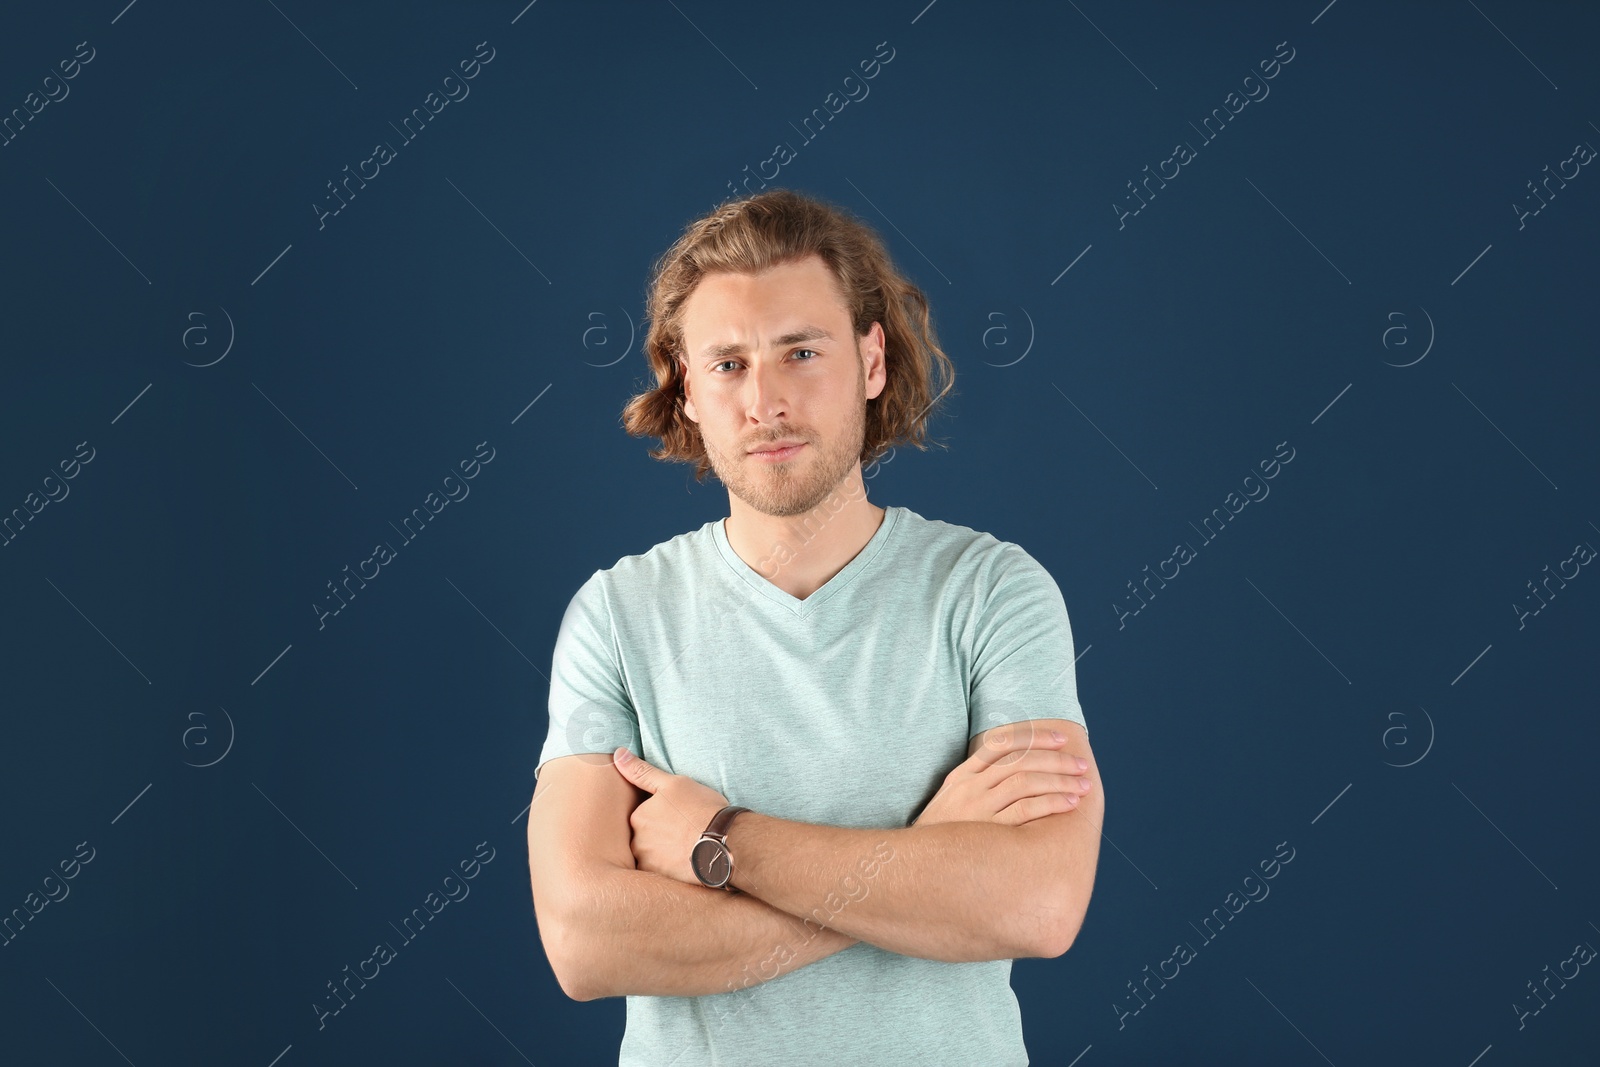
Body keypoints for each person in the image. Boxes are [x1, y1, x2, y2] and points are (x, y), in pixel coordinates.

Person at [526, 188, 1103, 1066]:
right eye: (727, 364)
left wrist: (720, 843)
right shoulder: (617, 614)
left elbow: (1038, 903)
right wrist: (923, 860)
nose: (766, 401)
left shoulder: (994, 591)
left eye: (801, 351)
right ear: (686, 389)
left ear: (872, 362)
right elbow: (583, 941)